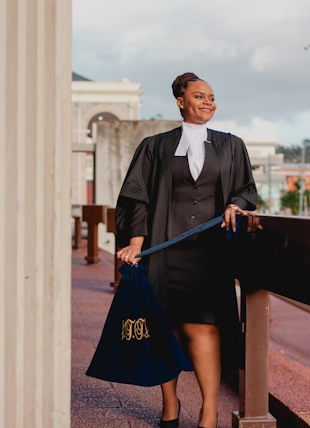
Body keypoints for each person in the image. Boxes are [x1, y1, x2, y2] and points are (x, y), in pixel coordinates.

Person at [115, 72, 258, 428]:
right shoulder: (155, 146)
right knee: (165, 327)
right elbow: (137, 197)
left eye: (211, 97)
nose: (208, 102)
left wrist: (235, 205)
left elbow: (245, 189)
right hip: (164, 248)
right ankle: (170, 404)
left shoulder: (231, 144)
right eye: (199, 96)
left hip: (209, 254)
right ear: (180, 101)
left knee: (203, 327)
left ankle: (209, 409)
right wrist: (135, 243)